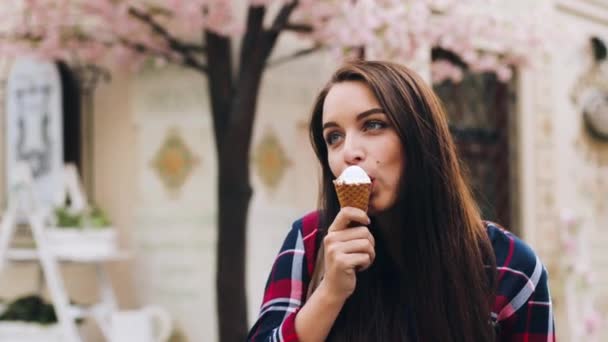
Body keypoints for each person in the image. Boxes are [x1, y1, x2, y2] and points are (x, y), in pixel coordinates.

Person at [247, 61, 555, 341]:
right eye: (334, 137)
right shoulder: (311, 241)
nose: (349, 152)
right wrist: (329, 293)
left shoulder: (511, 267)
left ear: (420, 137)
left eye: (373, 125)